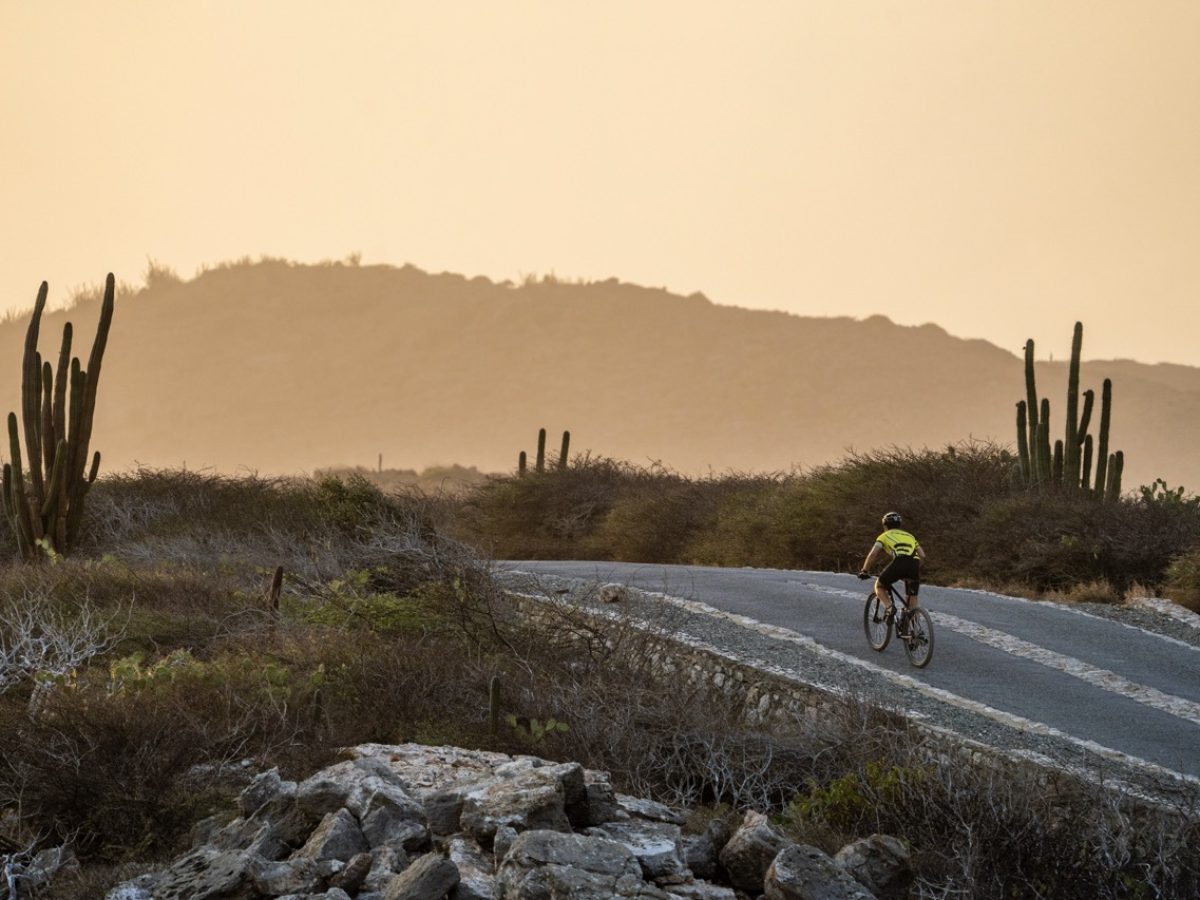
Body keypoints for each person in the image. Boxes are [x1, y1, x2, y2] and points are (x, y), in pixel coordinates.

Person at [858, 512, 925, 633]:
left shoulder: (884, 536)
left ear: (885, 525)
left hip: (899, 562)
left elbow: (873, 554)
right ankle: (914, 632)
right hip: (914, 564)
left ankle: (889, 607)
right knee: (912, 598)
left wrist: (864, 570)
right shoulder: (910, 536)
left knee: (879, 585)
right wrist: (912, 570)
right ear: (899, 524)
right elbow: (922, 556)